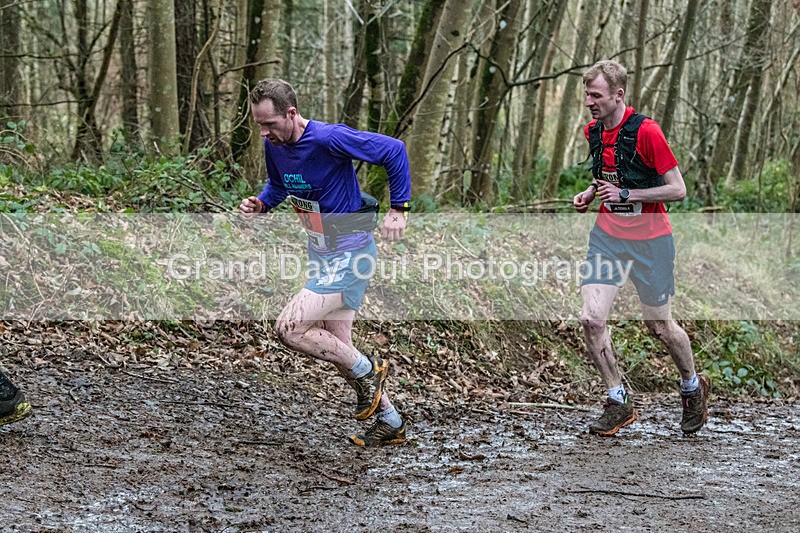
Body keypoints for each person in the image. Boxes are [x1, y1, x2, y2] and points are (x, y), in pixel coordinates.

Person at [239, 79, 411, 447]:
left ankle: (372, 370)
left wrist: (399, 209)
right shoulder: (276, 145)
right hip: (322, 254)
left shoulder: (328, 138)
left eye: (270, 124)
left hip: (351, 253)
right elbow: (280, 184)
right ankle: (391, 421)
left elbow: (394, 150)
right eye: (259, 126)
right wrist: (263, 203)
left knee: (290, 328)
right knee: (337, 348)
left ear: (292, 113)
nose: (265, 133)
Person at [572, 60, 710, 436]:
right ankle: (618, 400)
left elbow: (678, 189)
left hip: (652, 242)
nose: (589, 102)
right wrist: (591, 192)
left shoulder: (647, 131)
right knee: (591, 319)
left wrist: (627, 194)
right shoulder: (594, 131)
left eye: (596, 95)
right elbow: (606, 176)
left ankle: (692, 387)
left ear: (619, 95)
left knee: (660, 326)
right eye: (587, 94)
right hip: (608, 238)